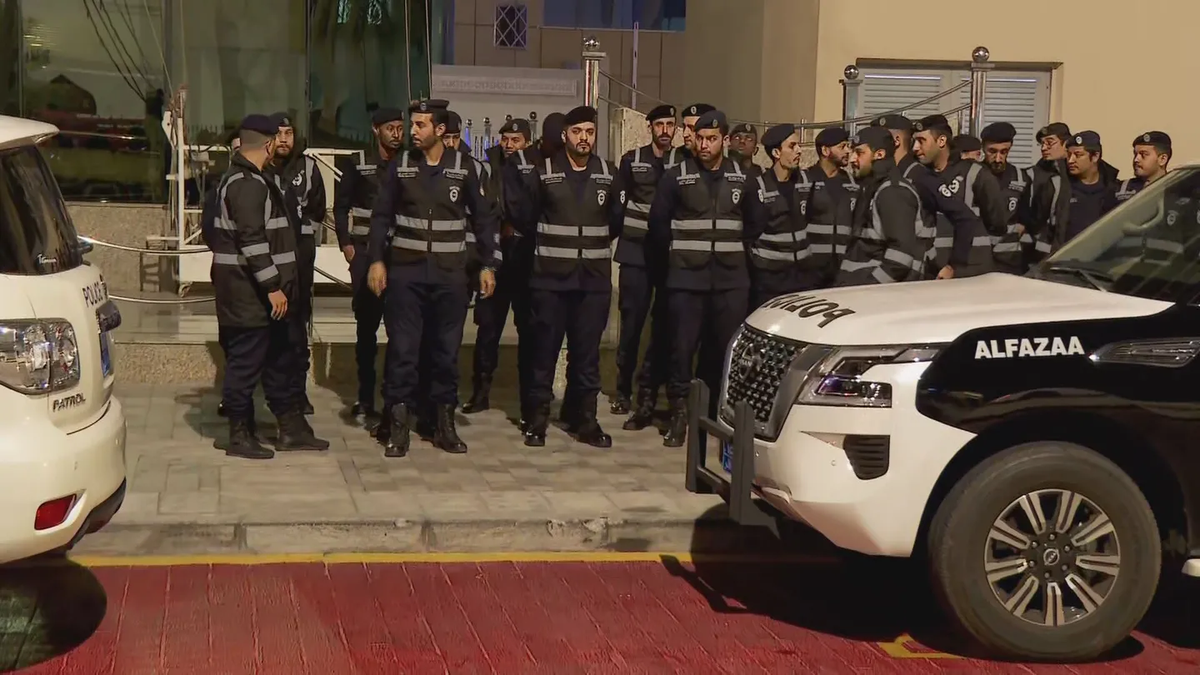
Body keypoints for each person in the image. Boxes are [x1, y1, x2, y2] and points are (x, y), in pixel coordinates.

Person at [366, 99, 499, 457]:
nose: (412, 131)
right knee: (403, 351)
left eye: (420, 125)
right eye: (413, 124)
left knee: (445, 353)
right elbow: (381, 217)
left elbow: (484, 220)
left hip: (450, 276)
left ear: (439, 130)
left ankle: (443, 424)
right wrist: (376, 261)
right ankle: (396, 426)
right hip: (406, 275)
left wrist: (487, 265)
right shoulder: (401, 166)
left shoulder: (464, 169)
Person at [209, 115, 328, 459]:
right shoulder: (247, 183)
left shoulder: (252, 179)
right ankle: (238, 435)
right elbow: (253, 241)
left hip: (256, 293)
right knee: (246, 364)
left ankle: (291, 430)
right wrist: (273, 287)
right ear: (268, 144)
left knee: (278, 360)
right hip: (250, 295)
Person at [648, 109, 765, 447]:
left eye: (711, 139)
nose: (704, 144)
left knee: (722, 352)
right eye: (699, 138)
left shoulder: (743, 177)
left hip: (730, 282)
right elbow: (658, 226)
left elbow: (756, 222)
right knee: (681, 351)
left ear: (724, 141)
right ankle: (680, 415)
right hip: (686, 280)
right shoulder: (675, 176)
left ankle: (716, 415)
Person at [504, 105, 619, 448]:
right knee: (544, 353)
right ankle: (536, 421)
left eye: (590, 132)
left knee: (586, 357)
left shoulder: (608, 173)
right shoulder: (543, 172)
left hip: (592, 284)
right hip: (550, 282)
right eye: (577, 132)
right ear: (565, 135)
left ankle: (584, 420)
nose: (584, 138)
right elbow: (524, 217)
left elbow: (615, 220)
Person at [610, 104, 681, 424]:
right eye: (660, 124)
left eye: (670, 125)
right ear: (649, 127)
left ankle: (651, 391)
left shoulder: (684, 162)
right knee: (631, 326)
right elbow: (617, 205)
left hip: (669, 257)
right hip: (636, 255)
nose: (665, 130)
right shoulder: (632, 160)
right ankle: (622, 390)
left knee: (664, 327)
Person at [333, 107, 405, 421]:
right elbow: (341, 206)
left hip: (400, 254)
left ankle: (396, 399)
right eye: (390, 128)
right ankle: (365, 398)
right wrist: (346, 245)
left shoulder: (408, 164)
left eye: (400, 128)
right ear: (376, 129)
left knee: (400, 329)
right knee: (367, 328)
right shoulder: (357, 162)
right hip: (363, 253)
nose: (397, 134)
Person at [463, 117, 533, 415]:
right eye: (505, 139)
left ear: (526, 142)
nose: (509, 145)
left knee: (528, 330)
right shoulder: (488, 167)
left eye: (515, 140)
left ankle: (527, 395)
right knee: (488, 328)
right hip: (493, 258)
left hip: (524, 258)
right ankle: (481, 392)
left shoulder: (535, 169)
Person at [265, 112, 326, 417]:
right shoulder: (260, 168)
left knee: (297, 328)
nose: (285, 139)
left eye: (289, 132)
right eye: (279, 133)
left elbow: (317, 211)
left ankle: (298, 392)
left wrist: (301, 241)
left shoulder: (309, 167)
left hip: (299, 262)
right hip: (269, 262)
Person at [836, 126, 931, 286]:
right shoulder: (872, 188)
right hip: (858, 293)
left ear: (879, 154)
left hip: (876, 297)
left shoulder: (894, 192)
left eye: (859, 153)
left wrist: (870, 287)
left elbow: (900, 258)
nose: (852, 159)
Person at [912, 114, 1003, 278]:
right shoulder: (921, 176)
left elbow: (997, 222)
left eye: (921, 141)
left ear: (941, 141)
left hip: (970, 269)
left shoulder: (975, 173)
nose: (916, 148)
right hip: (931, 269)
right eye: (914, 141)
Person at [749, 123, 817, 308]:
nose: (799, 151)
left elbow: (808, 219)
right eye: (792, 146)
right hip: (770, 281)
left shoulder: (806, 182)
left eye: (799, 146)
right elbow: (750, 232)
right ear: (776, 153)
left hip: (802, 279)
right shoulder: (759, 186)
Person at [797, 126, 858, 289]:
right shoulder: (805, 180)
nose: (847, 151)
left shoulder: (853, 184)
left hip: (843, 272)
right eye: (841, 146)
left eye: (848, 146)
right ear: (825, 150)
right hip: (810, 272)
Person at [978, 122, 1032, 273]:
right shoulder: (972, 174)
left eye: (1004, 152)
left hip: (1010, 260)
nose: (998, 158)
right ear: (983, 148)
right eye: (992, 151)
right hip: (978, 258)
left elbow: (1025, 217)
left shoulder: (1022, 177)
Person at [1109, 131, 1172, 207]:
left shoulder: (1176, 189)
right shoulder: (1119, 190)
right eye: (1135, 154)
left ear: (1162, 159)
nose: (1136, 159)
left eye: (1144, 154)